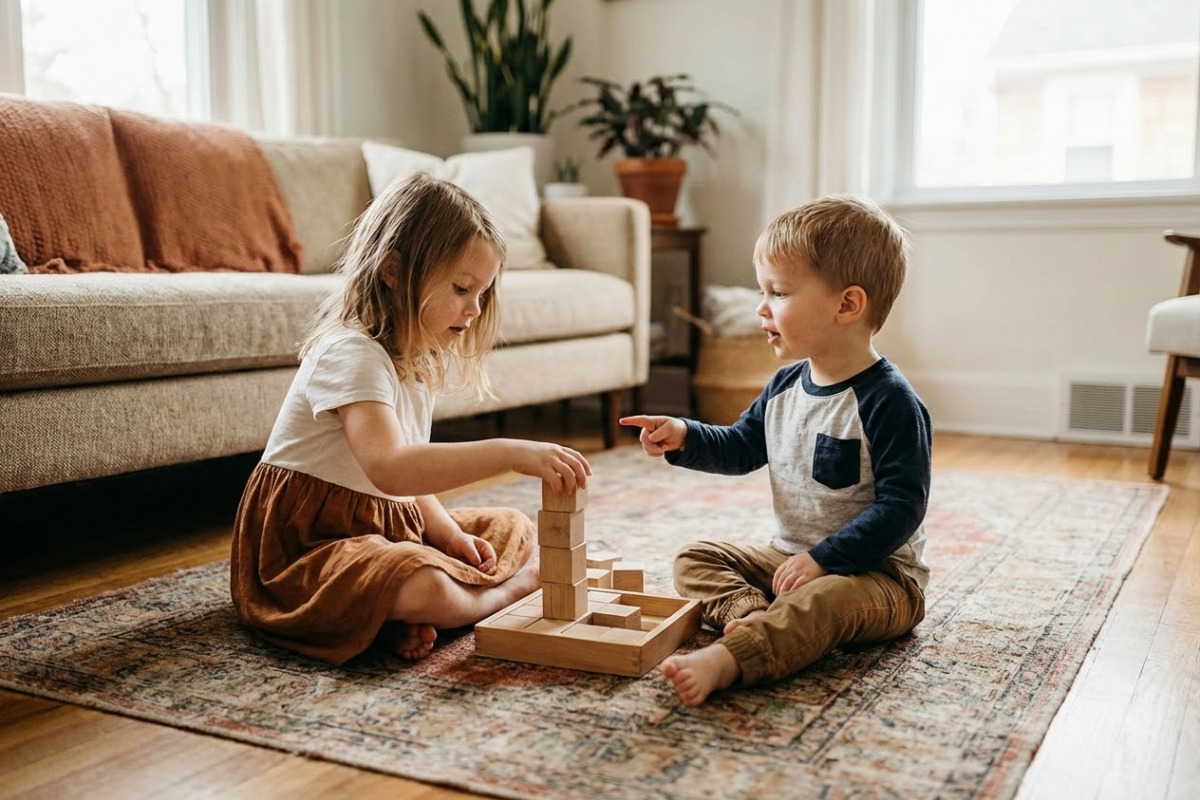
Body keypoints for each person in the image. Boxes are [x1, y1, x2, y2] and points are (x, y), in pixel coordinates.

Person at [231, 173, 591, 666]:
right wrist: (509, 452)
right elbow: (393, 468)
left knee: (512, 528)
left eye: (481, 293)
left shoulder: (416, 360)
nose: (474, 308)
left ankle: (393, 617)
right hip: (310, 546)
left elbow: (411, 485)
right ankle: (500, 598)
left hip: (382, 528)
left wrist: (448, 535)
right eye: (462, 288)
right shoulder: (349, 352)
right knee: (424, 584)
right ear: (394, 271)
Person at [621, 195, 930, 706]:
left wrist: (826, 560)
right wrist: (684, 434)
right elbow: (742, 446)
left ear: (847, 305)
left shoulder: (891, 401)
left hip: (878, 577)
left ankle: (730, 659)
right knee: (694, 558)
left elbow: (902, 507)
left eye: (779, 292)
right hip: (788, 559)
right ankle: (748, 611)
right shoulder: (787, 384)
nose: (761, 308)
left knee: (824, 601)